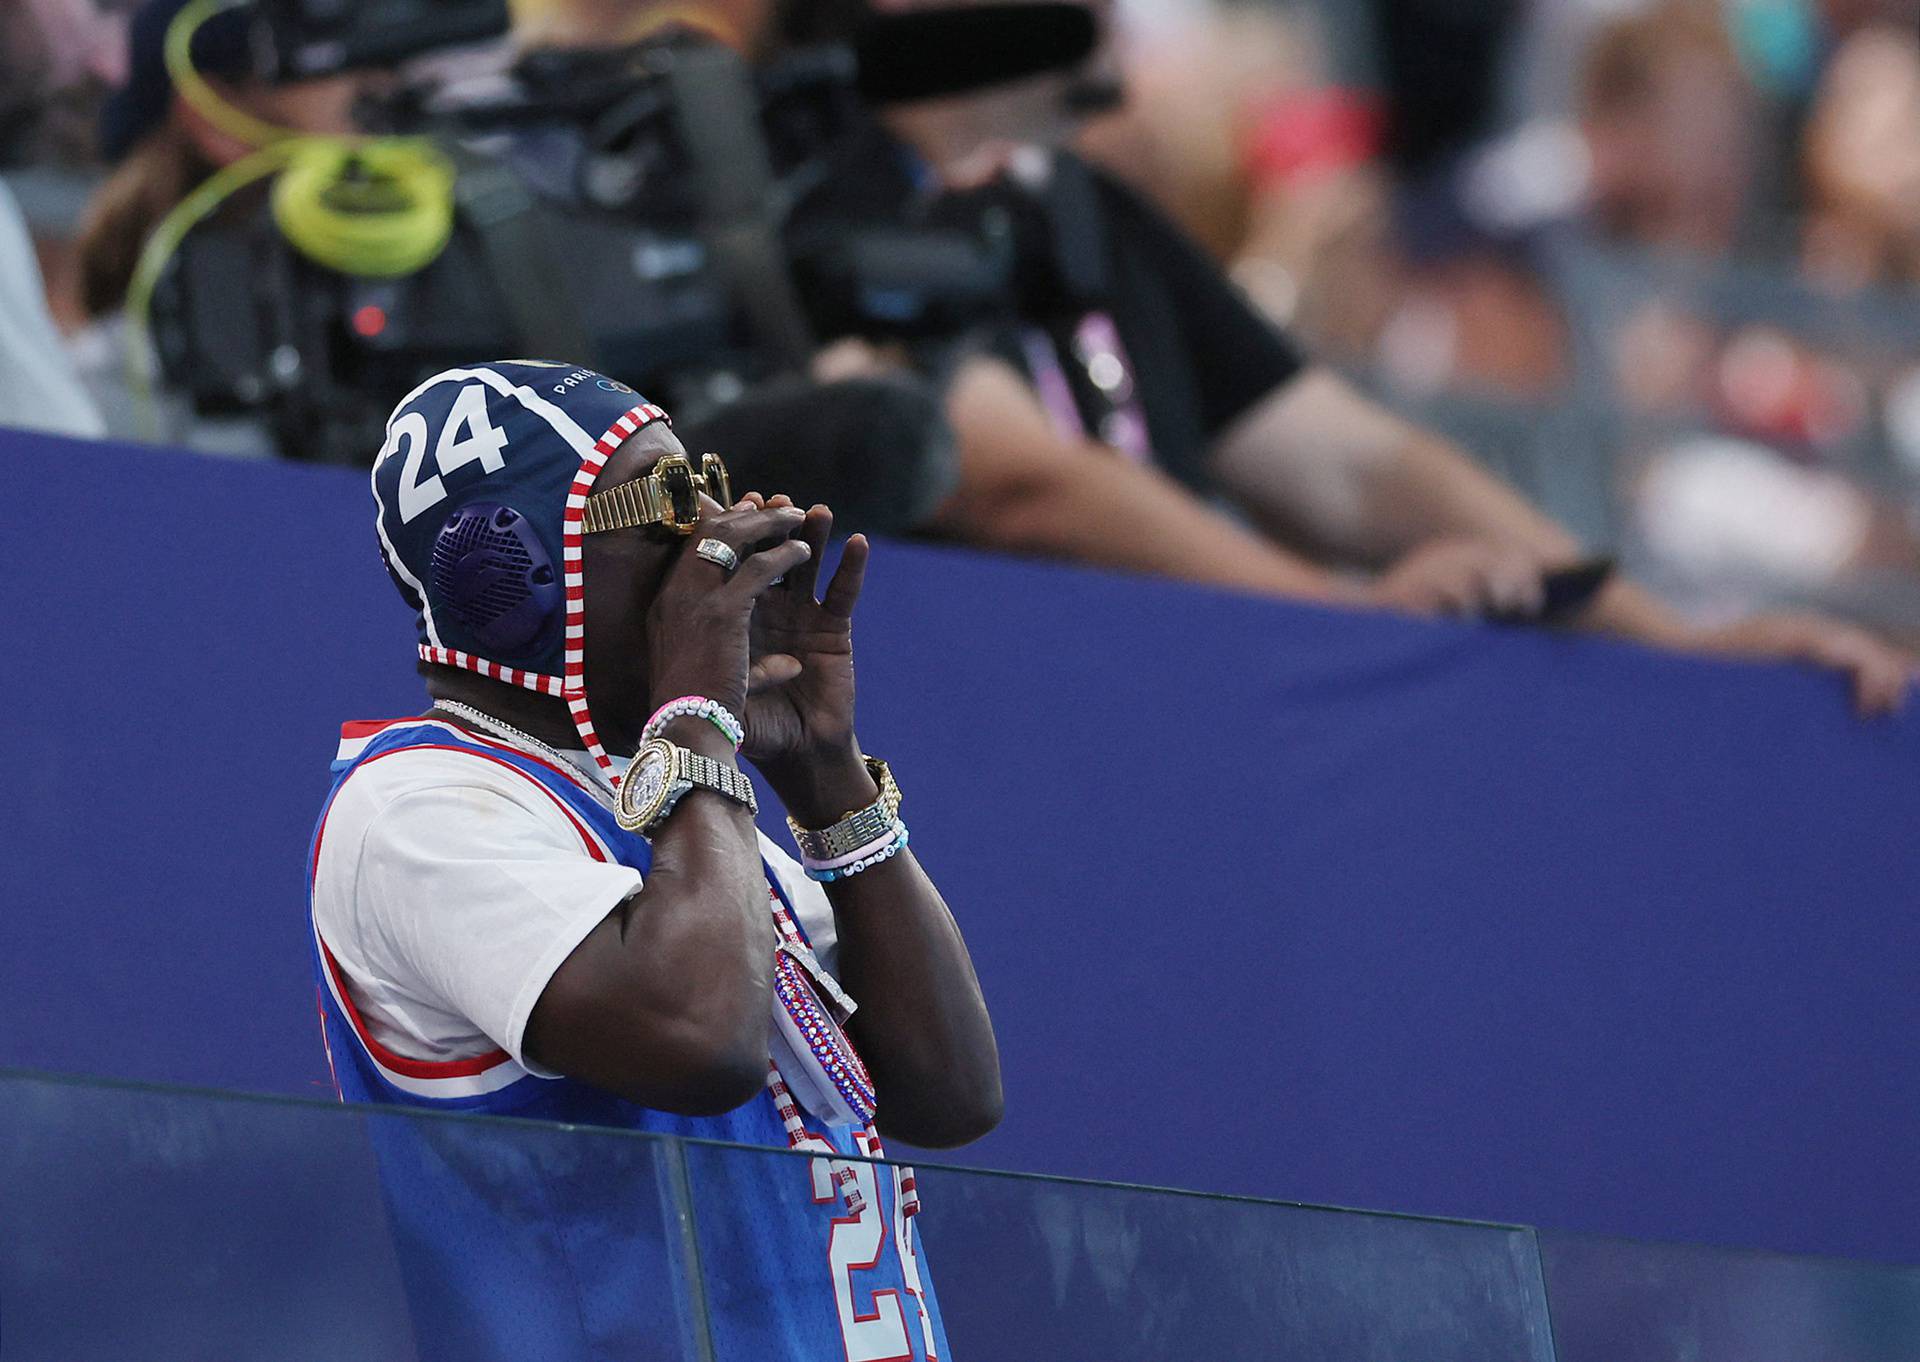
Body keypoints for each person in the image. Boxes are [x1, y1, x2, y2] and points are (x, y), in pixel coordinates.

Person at [776, 0, 1918, 715]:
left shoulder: (1082, 209)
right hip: (983, 745)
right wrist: (1336, 611)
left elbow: (1349, 460)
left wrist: (1669, 642)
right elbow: (1016, 482)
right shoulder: (804, 192)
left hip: (1182, 726)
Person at [308, 359, 1000, 1360]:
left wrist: (824, 774)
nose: (713, 548)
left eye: (711, 492)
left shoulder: (680, 813)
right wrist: (697, 720)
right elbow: (698, 1040)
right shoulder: (417, 806)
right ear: (518, 574)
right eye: (670, 512)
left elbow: (949, 1093)